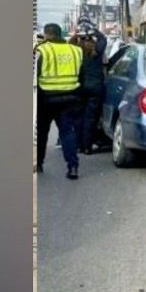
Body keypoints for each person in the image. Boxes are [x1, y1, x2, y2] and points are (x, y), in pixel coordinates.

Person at [35, 23, 85, 180]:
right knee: (67, 133)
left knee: (42, 132)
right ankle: (73, 167)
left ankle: (39, 163)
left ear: (46, 35)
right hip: (70, 97)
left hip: (46, 99)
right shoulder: (76, 50)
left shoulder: (42, 50)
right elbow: (81, 76)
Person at [78, 34, 110, 155]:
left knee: (80, 117)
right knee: (91, 118)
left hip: (82, 87)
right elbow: (103, 39)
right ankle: (87, 146)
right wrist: (94, 31)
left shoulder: (78, 52)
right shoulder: (97, 53)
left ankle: (79, 145)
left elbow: (71, 42)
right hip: (96, 88)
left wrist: (79, 35)